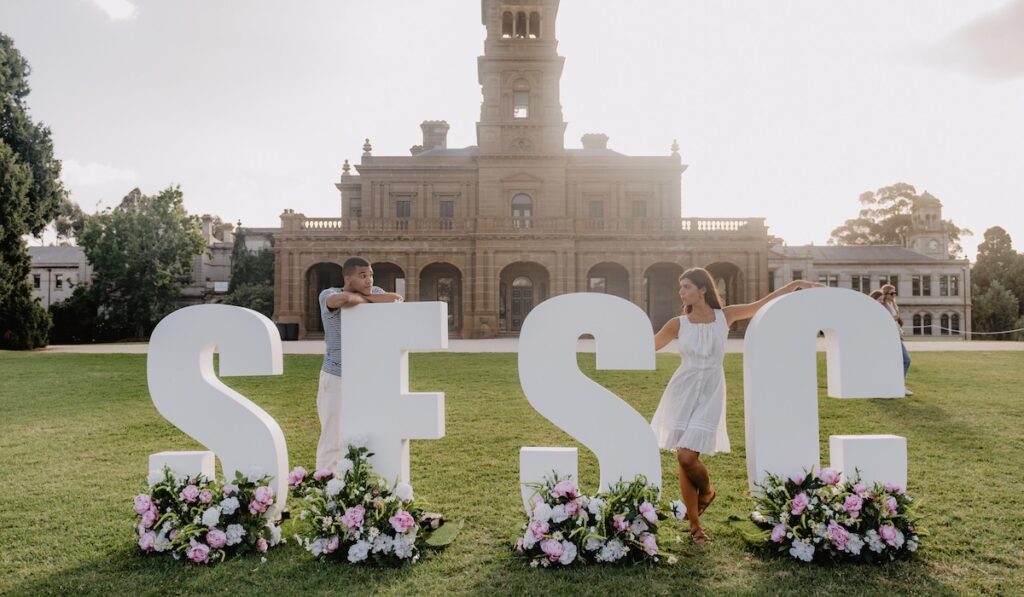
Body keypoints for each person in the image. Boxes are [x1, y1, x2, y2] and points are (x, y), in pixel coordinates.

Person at [649, 268, 819, 544]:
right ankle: (696, 527)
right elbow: (648, 346)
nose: (681, 292)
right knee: (683, 455)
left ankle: (706, 492)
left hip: (711, 390)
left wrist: (796, 284)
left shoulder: (723, 317)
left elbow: (760, 305)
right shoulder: (677, 324)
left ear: (703, 289)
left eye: (687, 286)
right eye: (680, 287)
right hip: (682, 390)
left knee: (687, 456)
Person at [316, 257, 403, 471]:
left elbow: (396, 299)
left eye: (371, 275)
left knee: (366, 434)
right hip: (336, 376)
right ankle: (326, 485)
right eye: (362, 276)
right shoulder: (327, 294)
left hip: (364, 378)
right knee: (332, 437)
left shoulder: (375, 291)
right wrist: (367, 300)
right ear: (348, 277)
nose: (369, 280)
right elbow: (344, 300)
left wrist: (366, 297)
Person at [879, 283, 912, 396]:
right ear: (886, 294)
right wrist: (894, 318)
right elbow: (882, 320)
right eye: (892, 293)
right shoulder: (882, 305)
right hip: (889, 337)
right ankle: (897, 386)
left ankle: (897, 385)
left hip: (897, 336)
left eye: (895, 292)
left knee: (900, 362)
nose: (894, 295)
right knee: (906, 360)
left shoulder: (893, 304)